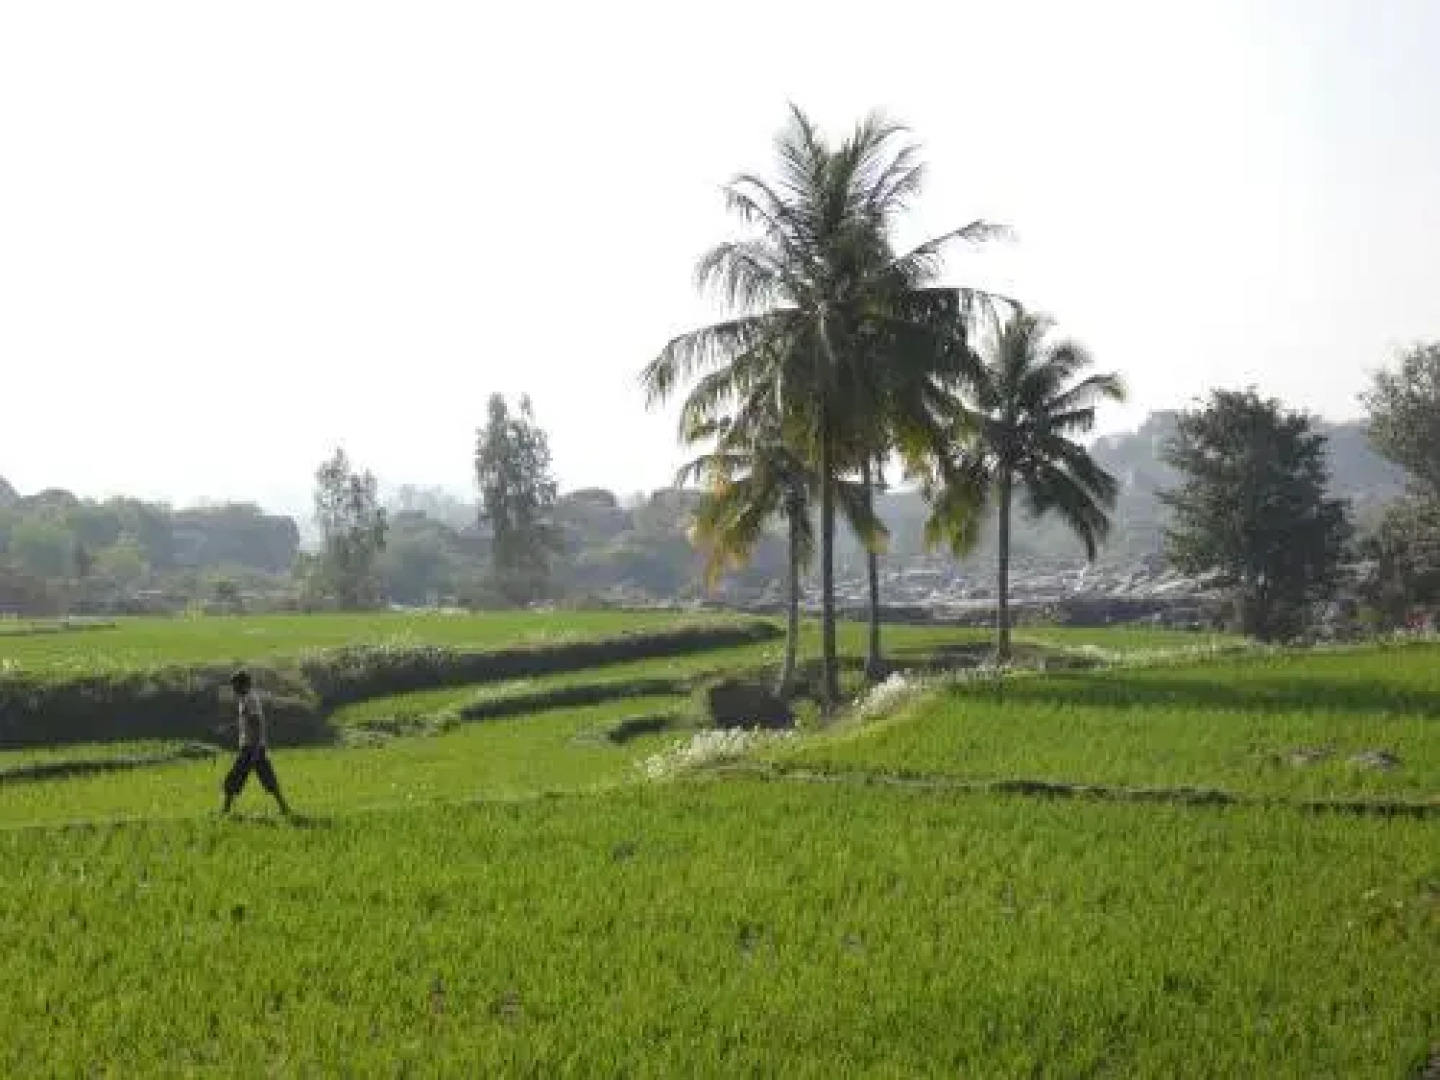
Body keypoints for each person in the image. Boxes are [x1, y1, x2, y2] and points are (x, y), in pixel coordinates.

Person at [220, 669, 292, 816]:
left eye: (236, 686)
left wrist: (255, 750)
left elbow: (258, 724)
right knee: (266, 777)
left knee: (233, 777)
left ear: (244, 685)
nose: (234, 689)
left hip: (251, 747)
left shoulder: (250, 700)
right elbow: (249, 722)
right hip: (253, 747)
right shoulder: (245, 699)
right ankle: (284, 808)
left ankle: (225, 811)